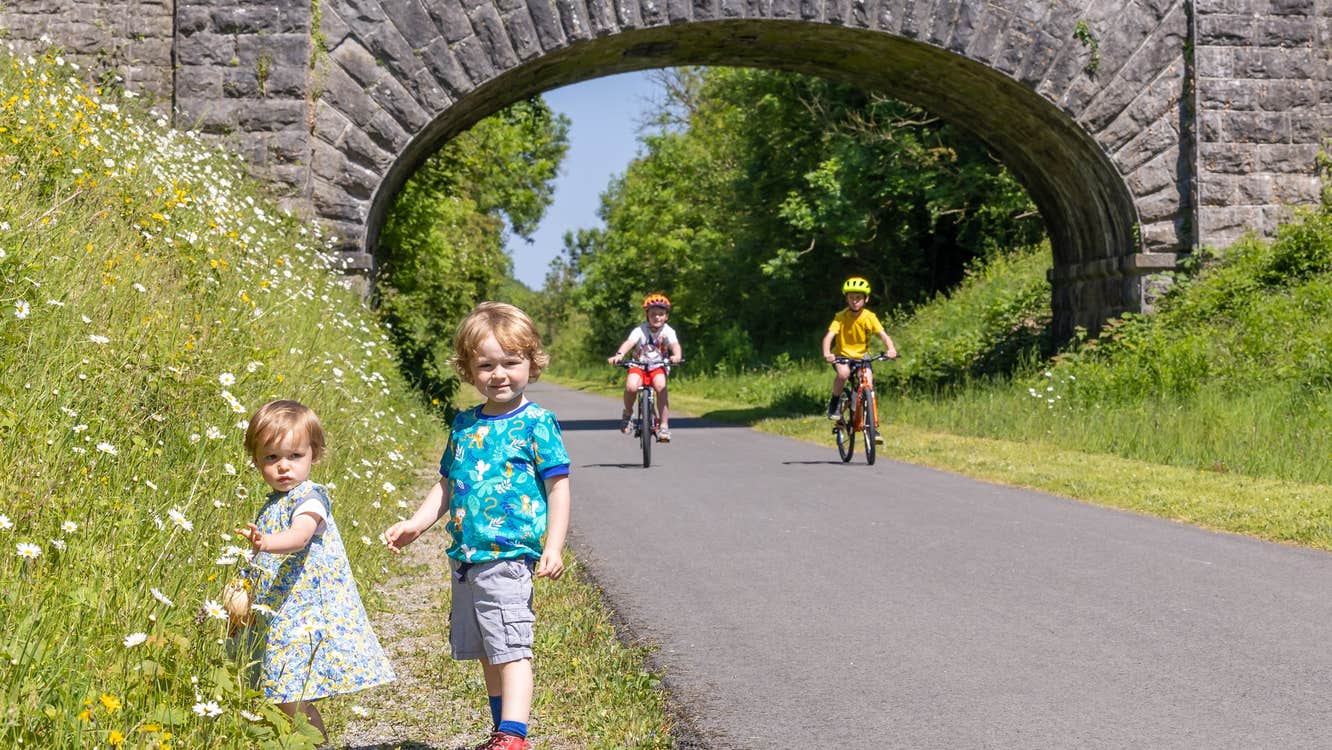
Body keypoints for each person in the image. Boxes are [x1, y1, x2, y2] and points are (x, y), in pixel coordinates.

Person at [383, 301, 571, 750]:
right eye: (486, 365)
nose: (499, 374)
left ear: (532, 362)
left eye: (511, 362)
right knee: (488, 649)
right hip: (467, 559)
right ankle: (499, 729)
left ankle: (514, 736)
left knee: (511, 647)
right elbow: (447, 484)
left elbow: (558, 487)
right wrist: (417, 523)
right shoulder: (465, 424)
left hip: (508, 557)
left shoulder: (537, 423)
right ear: (469, 370)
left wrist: (554, 545)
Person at [233, 400, 395, 742]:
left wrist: (265, 543)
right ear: (256, 460)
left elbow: (298, 536)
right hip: (281, 613)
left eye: (294, 456)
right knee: (279, 691)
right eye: (271, 457)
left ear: (314, 455)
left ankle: (317, 744)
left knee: (288, 691)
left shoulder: (310, 497)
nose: (283, 467)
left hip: (306, 613)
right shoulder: (271, 504)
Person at [607, 293, 683, 442]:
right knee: (631, 387)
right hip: (639, 366)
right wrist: (620, 354)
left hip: (658, 367)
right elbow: (629, 342)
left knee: (661, 386)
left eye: (661, 314)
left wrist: (676, 356)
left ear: (666, 316)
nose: (657, 317)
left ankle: (664, 426)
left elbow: (674, 344)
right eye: (653, 314)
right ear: (647, 315)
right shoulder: (639, 330)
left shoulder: (668, 331)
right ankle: (628, 414)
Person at [822, 277, 898, 424]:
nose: (854, 301)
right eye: (851, 297)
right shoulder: (841, 317)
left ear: (866, 299)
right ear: (846, 299)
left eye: (858, 297)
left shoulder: (869, 317)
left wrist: (891, 349)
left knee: (868, 382)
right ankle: (835, 403)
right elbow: (829, 337)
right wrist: (827, 353)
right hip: (842, 355)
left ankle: (871, 425)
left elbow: (883, 335)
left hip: (862, 357)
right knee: (843, 373)